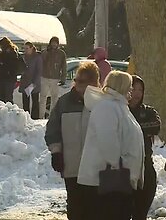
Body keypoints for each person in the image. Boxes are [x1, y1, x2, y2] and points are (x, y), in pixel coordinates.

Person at [78, 71, 145, 220]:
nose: (132, 91)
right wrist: (119, 163)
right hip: (108, 181)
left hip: (118, 179)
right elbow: (108, 141)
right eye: (130, 87)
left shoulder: (119, 106)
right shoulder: (107, 107)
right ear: (121, 86)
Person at [45, 61, 100, 220]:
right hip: (72, 167)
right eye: (76, 80)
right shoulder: (64, 102)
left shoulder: (101, 103)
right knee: (75, 209)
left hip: (96, 169)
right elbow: (52, 129)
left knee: (94, 210)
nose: (77, 84)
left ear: (93, 82)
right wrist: (56, 152)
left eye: (81, 81)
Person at [129, 75, 161, 220]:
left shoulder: (148, 111)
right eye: (133, 89)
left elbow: (155, 126)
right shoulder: (120, 110)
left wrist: (135, 128)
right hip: (125, 168)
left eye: (140, 90)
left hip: (145, 166)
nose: (136, 93)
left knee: (141, 212)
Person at [40, 37, 67, 118]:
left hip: (55, 78)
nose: (54, 44)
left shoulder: (61, 53)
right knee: (42, 97)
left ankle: (52, 116)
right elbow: (40, 63)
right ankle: (41, 116)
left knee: (54, 98)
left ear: (58, 44)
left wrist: (63, 79)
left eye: (55, 43)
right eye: (53, 42)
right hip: (44, 77)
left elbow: (64, 67)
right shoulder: (45, 52)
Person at [19, 42, 43, 119]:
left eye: (27, 48)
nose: (25, 50)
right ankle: (26, 117)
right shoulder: (23, 57)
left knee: (35, 101)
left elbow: (39, 71)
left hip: (34, 83)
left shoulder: (37, 57)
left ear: (32, 48)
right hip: (25, 82)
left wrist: (34, 83)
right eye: (24, 48)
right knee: (25, 102)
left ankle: (35, 117)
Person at [0, 37, 19, 103]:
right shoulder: (12, 52)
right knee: (5, 96)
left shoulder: (9, 53)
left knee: (6, 97)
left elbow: (7, 64)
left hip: (8, 77)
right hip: (8, 77)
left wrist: (0, 58)